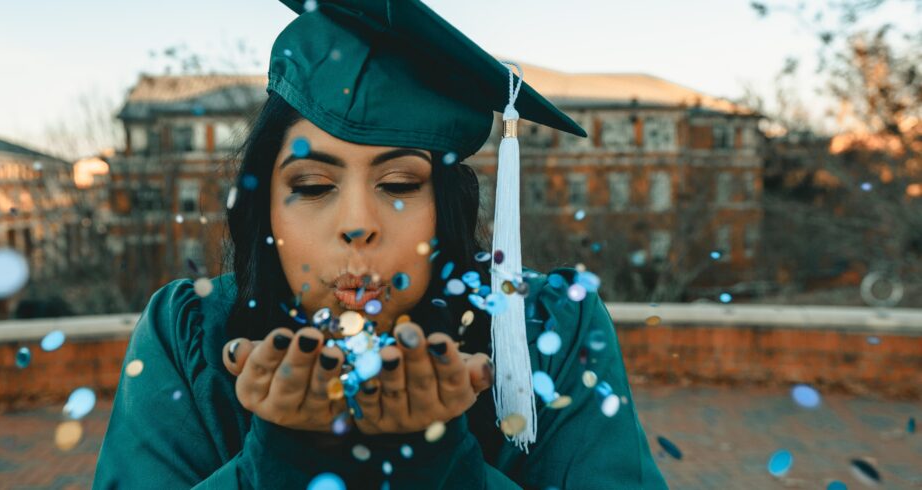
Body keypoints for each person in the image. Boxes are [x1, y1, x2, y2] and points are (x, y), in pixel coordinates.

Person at [94, 1, 668, 488]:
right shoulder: (191, 332)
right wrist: (282, 463)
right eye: (313, 185)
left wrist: (442, 466)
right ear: (264, 202)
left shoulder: (545, 330)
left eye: (398, 185)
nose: (357, 224)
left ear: (446, 207)